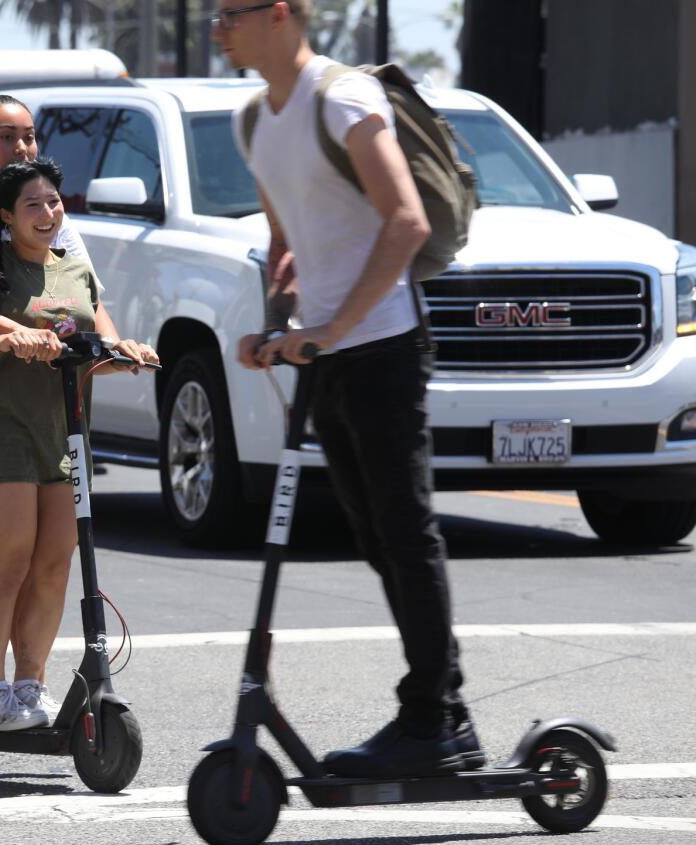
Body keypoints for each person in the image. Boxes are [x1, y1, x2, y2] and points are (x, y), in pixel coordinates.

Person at [215, 0, 485, 777]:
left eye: (230, 13)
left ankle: (433, 717)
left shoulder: (342, 99)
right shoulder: (253, 122)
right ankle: (444, 714)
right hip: (327, 354)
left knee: (406, 531)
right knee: (374, 536)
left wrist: (330, 330)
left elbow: (401, 221)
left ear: (280, 15)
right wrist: (275, 326)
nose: (218, 29)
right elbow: (285, 244)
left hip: (385, 346)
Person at [0, 94, 153, 727]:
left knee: (44, 555)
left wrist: (115, 348)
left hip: (48, 409)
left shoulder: (55, 224)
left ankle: (24, 686)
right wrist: (16, 333)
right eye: (7, 138)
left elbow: (90, 305)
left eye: (30, 137)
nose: (22, 149)